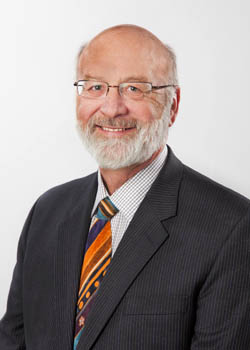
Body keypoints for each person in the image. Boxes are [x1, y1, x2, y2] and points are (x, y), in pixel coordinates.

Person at [0, 24, 249, 350]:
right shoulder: (47, 212)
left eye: (135, 88)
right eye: (95, 86)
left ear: (172, 105)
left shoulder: (232, 227)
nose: (112, 108)